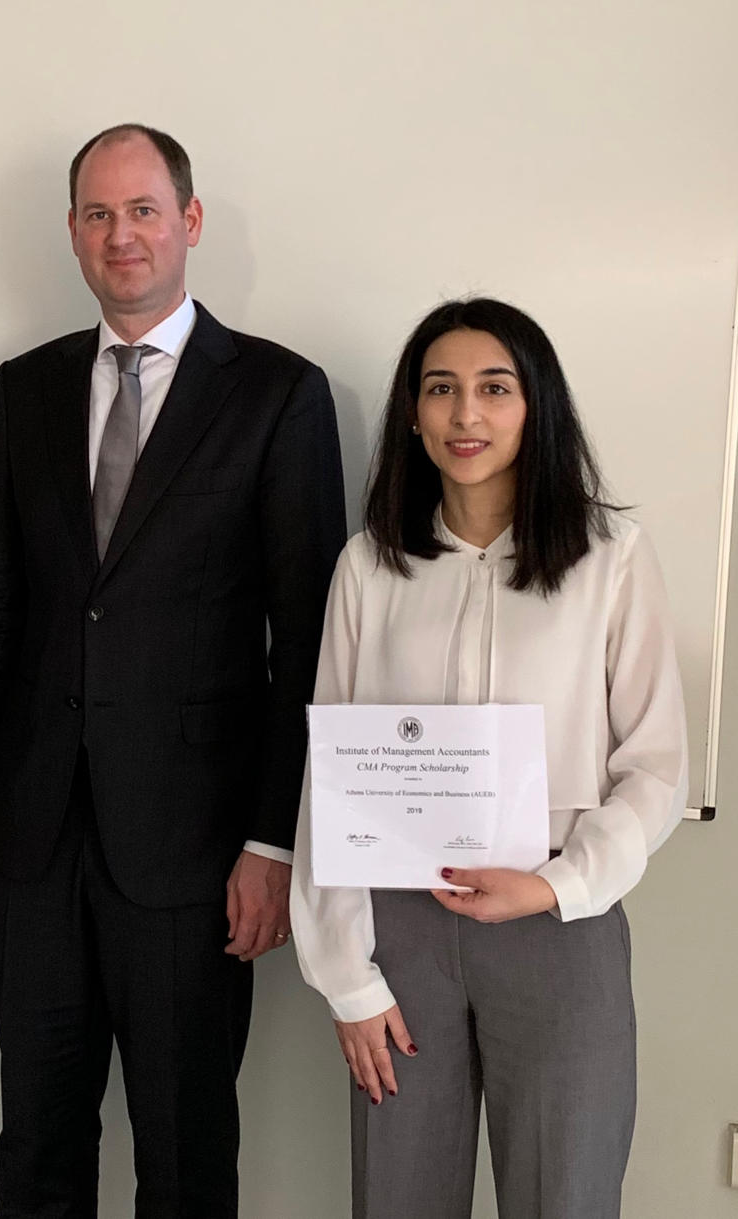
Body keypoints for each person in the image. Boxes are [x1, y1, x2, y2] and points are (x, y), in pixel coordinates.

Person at [0, 124, 346, 1217]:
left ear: (189, 222)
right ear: (72, 232)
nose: (122, 235)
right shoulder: (25, 389)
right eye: (98, 214)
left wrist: (270, 838)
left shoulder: (275, 393)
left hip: (195, 850)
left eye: (143, 210)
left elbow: (306, 637)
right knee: (34, 1149)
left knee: (183, 1151)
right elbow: (5, 602)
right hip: (34, 839)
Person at [290, 297, 688, 1218]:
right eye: (440, 390)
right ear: (413, 413)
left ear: (533, 405)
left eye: (492, 388)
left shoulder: (609, 558)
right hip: (400, 937)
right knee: (398, 1196)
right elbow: (331, 776)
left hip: (556, 922)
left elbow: (655, 763)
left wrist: (556, 885)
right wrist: (346, 978)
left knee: (566, 1194)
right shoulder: (368, 565)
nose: (465, 415)